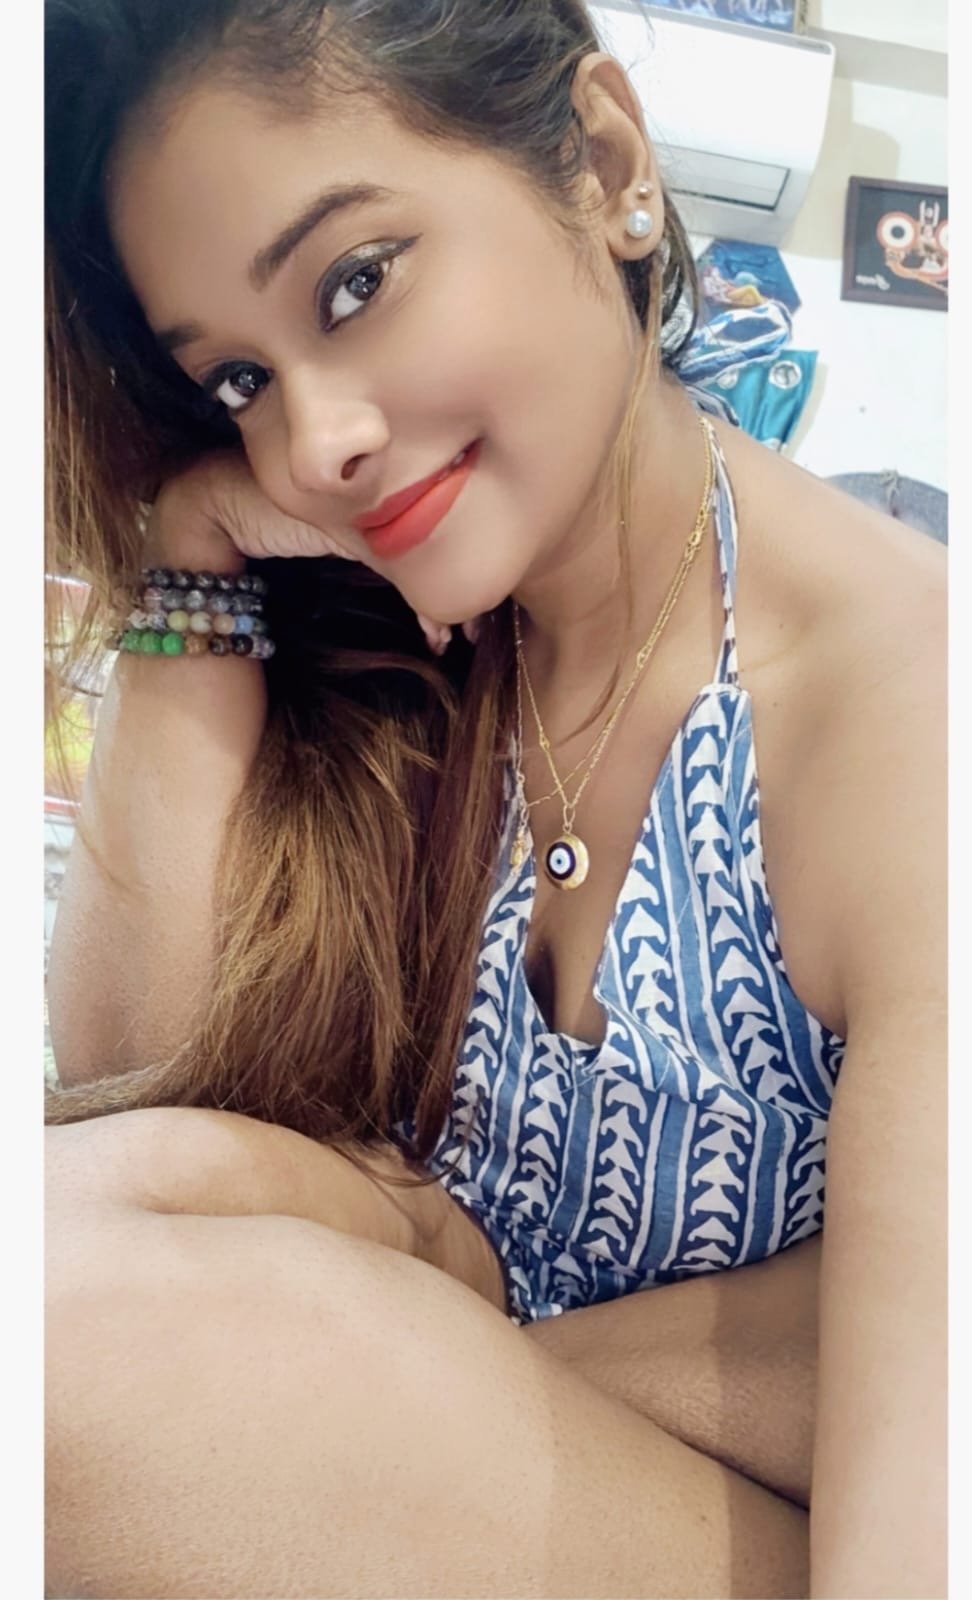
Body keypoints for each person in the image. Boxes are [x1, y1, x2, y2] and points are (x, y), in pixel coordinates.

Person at [44, 1, 946, 1595]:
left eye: (356, 283)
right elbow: (138, 1089)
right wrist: (191, 556)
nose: (312, 443)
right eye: (241, 377)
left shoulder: (904, 709)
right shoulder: (422, 649)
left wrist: (426, 1343)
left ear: (604, 165)